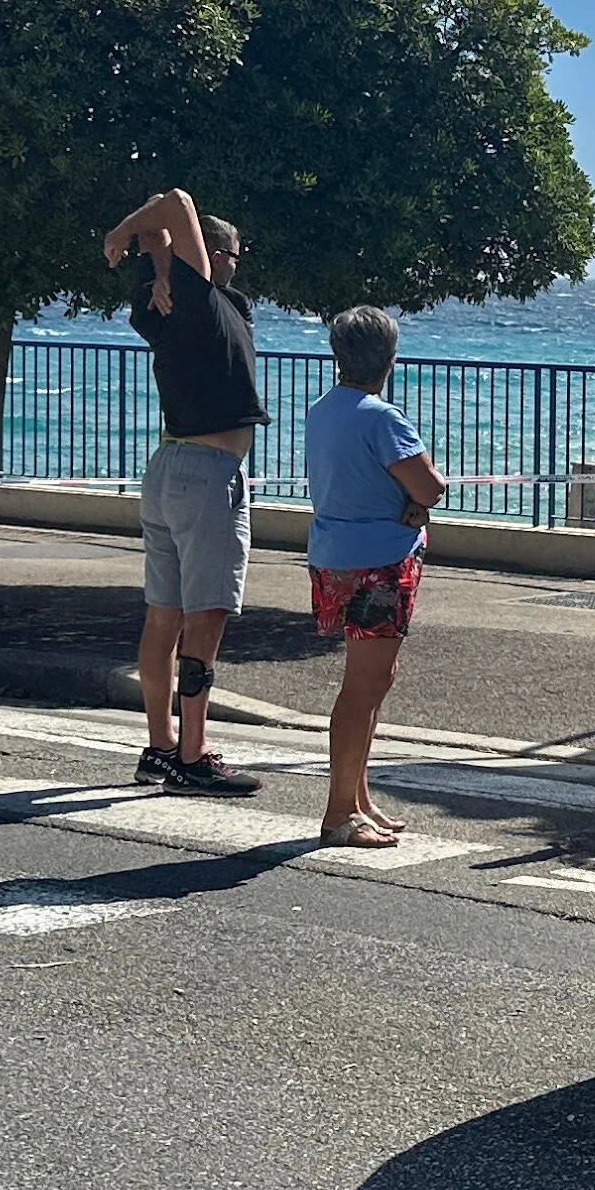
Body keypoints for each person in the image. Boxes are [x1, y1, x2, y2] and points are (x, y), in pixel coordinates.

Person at [105, 187, 265, 798]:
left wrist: (158, 253)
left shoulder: (161, 305)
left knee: (162, 615)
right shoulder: (196, 300)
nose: (234, 267)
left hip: (169, 466)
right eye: (233, 255)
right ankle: (192, 753)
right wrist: (128, 230)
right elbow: (172, 201)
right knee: (205, 617)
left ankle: (160, 748)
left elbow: (162, 222)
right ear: (214, 253)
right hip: (205, 474)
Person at [304, 306, 448, 850]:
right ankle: (340, 812)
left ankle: (358, 798)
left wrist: (411, 501)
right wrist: (419, 502)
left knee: (372, 682)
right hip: (379, 563)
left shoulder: (323, 410)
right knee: (363, 687)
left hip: (335, 554)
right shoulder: (383, 417)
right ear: (389, 357)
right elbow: (429, 486)